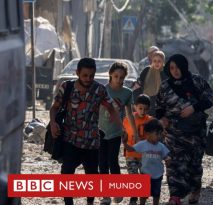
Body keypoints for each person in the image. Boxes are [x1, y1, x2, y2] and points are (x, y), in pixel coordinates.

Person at [49, 58, 122, 205]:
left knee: (92, 176)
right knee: (67, 173)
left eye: (91, 76)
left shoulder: (99, 90)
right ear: (77, 73)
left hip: (92, 142)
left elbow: (111, 108)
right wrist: (53, 123)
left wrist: (120, 127)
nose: (88, 79)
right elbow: (54, 107)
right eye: (85, 75)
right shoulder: (67, 87)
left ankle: (90, 201)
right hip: (70, 140)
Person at [155, 54, 213, 205]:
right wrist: (162, 119)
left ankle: (195, 189)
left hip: (195, 132)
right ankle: (175, 196)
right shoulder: (165, 86)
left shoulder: (196, 81)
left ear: (184, 66)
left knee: (193, 164)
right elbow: (159, 107)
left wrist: (193, 108)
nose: (175, 71)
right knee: (173, 163)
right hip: (174, 132)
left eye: (178, 67)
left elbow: (209, 99)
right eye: (172, 68)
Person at [98, 61, 138, 205]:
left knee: (113, 161)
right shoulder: (102, 90)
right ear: (110, 75)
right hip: (100, 130)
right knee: (102, 163)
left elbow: (129, 114)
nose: (119, 80)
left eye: (122, 77)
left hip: (116, 131)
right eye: (116, 76)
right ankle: (105, 195)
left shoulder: (127, 93)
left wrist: (135, 133)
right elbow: (94, 109)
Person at [123, 119, 170, 205]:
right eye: (157, 134)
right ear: (148, 134)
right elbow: (131, 149)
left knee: (156, 194)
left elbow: (166, 157)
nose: (159, 136)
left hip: (158, 175)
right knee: (143, 194)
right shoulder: (143, 144)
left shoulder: (161, 146)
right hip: (145, 174)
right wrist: (125, 143)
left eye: (160, 134)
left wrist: (168, 162)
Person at [122, 94, 153, 205]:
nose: (142, 111)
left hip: (145, 155)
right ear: (135, 107)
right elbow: (124, 133)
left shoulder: (150, 121)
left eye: (145, 109)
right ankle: (133, 198)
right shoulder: (128, 119)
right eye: (140, 108)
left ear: (149, 108)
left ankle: (143, 199)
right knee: (133, 176)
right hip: (131, 153)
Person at [135, 51, 168, 115]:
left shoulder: (165, 72)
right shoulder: (147, 70)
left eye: (159, 61)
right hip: (145, 103)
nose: (156, 63)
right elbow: (138, 84)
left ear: (163, 61)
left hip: (160, 103)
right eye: (154, 61)